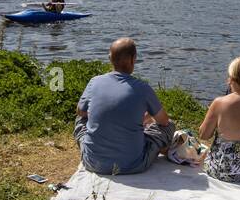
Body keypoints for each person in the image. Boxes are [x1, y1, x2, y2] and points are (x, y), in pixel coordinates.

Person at [75, 39, 175, 175]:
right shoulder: (143, 88)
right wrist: (143, 118)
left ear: (110, 58)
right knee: (169, 126)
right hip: (133, 165)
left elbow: (81, 112)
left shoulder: (95, 82)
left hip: (93, 163)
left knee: (80, 120)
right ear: (133, 59)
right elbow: (163, 121)